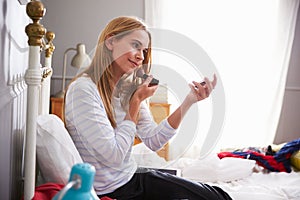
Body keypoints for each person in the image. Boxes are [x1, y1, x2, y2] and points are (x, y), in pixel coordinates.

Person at [64, 16, 232, 200]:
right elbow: (114, 157)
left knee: (218, 196)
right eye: (135, 45)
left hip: (132, 179)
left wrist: (189, 100)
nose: (141, 56)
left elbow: (154, 140)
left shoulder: (126, 89)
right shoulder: (83, 90)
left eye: (144, 50)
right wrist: (135, 103)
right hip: (113, 191)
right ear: (111, 41)